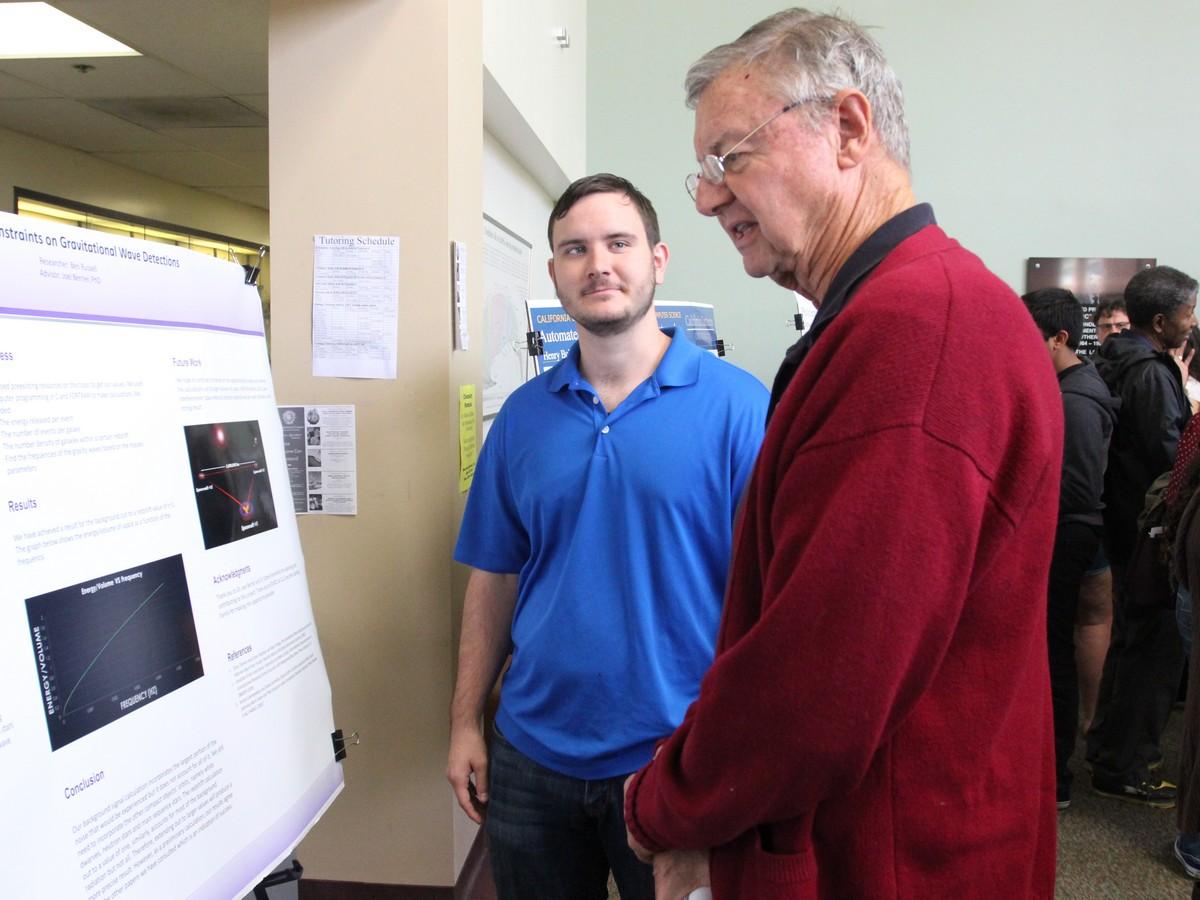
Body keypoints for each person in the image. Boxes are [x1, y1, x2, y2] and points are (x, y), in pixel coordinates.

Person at [622, 10, 1062, 897]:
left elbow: (819, 687)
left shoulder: (917, 334)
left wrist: (659, 806)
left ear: (849, 130)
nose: (707, 199)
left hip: (891, 857)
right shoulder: (912, 312)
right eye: (701, 172)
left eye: (729, 158)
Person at [447, 174, 767, 900]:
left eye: (618, 243)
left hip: (677, 756)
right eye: (575, 249)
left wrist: (741, 753)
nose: (598, 264)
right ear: (555, 272)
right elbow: (495, 577)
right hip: (531, 757)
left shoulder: (741, 410)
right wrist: (465, 721)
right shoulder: (522, 419)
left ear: (657, 260)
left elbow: (770, 596)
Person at [1087, 264, 1197, 806]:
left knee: (1130, 642)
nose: (1191, 322)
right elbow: (1169, 456)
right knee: (1152, 652)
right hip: (1148, 530)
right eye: (1187, 312)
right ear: (1159, 320)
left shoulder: (1114, 355)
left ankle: (1109, 750)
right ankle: (1128, 766)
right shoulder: (1151, 373)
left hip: (1121, 523)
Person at [1021, 288, 1119, 810]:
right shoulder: (1067, 386)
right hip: (1067, 531)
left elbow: (1076, 490)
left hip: (1067, 534)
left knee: (1053, 652)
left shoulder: (1076, 400)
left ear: (1059, 339)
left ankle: (1054, 776)